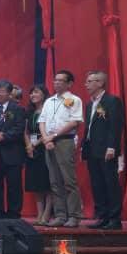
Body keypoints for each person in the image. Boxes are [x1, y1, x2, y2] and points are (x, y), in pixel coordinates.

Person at [39, 69, 84, 228]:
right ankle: (60, 215)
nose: (56, 83)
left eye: (61, 80)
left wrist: (54, 136)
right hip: (48, 142)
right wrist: (46, 138)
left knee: (68, 180)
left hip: (64, 141)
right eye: (55, 80)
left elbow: (74, 122)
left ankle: (74, 215)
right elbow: (41, 121)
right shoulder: (49, 101)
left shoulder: (74, 100)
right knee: (54, 181)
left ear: (69, 83)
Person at [82, 70, 125, 229]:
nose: (86, 85)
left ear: (100, 83)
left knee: (110, 183)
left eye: (89, 81)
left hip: (106, 149)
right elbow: (89, 127)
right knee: (97, 183)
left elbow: (115, 125)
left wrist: (112, 146)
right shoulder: (89, 104)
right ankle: (102, 216)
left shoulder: (112, 101)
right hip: (92, 149)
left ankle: (114, 218)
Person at [0, 79, 26, 219]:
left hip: (12, 153)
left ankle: (14, 213)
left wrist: (4, 136)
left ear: (9, 93)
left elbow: (19, 129)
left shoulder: (18, 109)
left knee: (14, 185)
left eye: (1, 91)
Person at [24, 84, 53, 226]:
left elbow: (50, 130)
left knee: (47, 183)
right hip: (31, 150)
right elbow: (26, 131)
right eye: (31, 93)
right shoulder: (29, 111)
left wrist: (35, 144)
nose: (33, 95)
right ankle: (39, 213)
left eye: (36, 92)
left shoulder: (49, 110)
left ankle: (47, 214)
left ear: (44, 94)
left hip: (45, 148)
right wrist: (29, 145)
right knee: (36, 184)